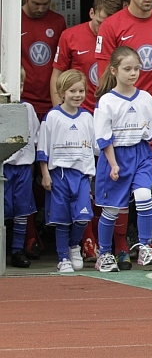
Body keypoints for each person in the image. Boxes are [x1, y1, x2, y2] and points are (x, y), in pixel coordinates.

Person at [96, 0, 152, 269]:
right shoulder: (112, 25)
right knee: (118, 196)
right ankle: (119, 248)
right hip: (123, 127)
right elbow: (104, 72)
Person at [93, 46, 152, 272]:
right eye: (127, 69)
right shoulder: (107, 101)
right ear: (114, 70)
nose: (133, 73)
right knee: (111, 210)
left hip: (141, 153)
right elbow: (104, 138)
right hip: (115, 156)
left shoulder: (146, 98)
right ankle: (104, 254)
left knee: (144, 196)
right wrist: (113, 164)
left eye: (136, 69)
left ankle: (145, 247)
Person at [37, 70, 95, 274]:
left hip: (81, 175)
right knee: (61, 219)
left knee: (82, 217)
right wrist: (45, 174)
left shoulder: (87, 117)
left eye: (81, 91)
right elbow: (42, 149)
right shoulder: (52, 117)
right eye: (72, 91)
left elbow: (96, 146)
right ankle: (63, 258)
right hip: (59, 175)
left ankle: (73, 246)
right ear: (62, 92)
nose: (77, 95)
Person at [51, 0, 124, 114]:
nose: (103, 29)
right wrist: (59, 112)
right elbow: (57, 76)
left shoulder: (124, 38)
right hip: (78, 113)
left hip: (114, 112)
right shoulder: (70, 36)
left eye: (109, 25)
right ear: (91, 13)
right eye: (99, 23)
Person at [4, 70, 38, 269]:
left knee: (22, 209)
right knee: (4, 208)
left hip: (23, 167)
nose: (20, 89)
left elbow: (35, 136)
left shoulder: (28, 108)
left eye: (22, 84)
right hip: (4, 167)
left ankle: (18, 250)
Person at [21, 0, 67, 117]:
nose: (41, 9)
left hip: (51, 100)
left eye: (45, 4)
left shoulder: (58, 21)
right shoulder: (11, 19)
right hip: (22, 100)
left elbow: (63, 61)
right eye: (36, 4)